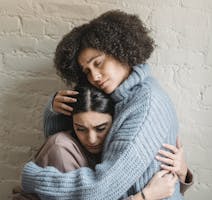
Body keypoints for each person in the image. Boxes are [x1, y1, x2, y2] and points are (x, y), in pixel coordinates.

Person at [21, 10, 192, 199]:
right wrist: (54, 111)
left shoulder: (144, 108)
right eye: (87, 71)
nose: (94, 76)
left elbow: (100, 189)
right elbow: (65, 146)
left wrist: (34, 178)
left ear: (121, 52)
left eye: (99, 63)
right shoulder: (127, 93)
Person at [14, 84, 191, 200]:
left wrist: (182, 174)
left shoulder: (119, 149)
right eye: (80, 129)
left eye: (100, 128)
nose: (91, 139)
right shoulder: (61, 148)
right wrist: (145, 197)